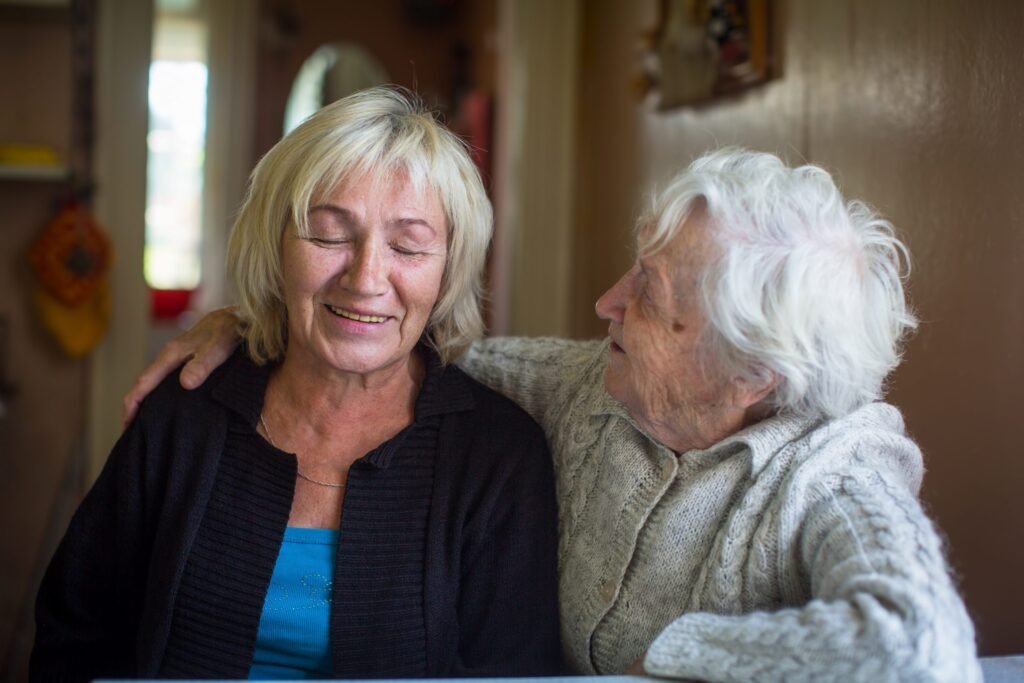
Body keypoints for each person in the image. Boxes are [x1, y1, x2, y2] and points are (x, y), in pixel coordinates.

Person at [124, 148, 982, 682]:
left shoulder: (836, 472)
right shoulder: (589, 388)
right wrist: (251, 325)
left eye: (649, 297)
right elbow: (395, 342)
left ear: (751, 370)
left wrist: (684, 652)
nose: (605, 301)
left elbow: (918, 651)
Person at [31, 86, 561, 680]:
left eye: (408, 246)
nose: (366, 279)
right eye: (330, 234)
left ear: (449, 269)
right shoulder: (184, 415)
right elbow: (73, 636)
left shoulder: (499, 457)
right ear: (276, 245)